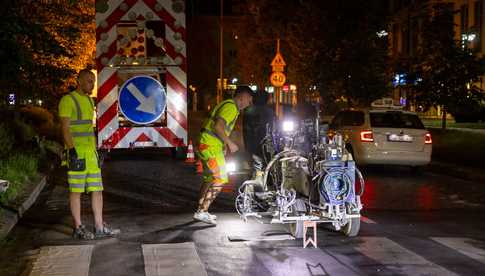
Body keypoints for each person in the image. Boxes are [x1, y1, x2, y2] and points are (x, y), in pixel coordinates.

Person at [59, 69, 120, 239]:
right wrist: (71, 151)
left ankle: (99, 227)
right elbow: (65, 129)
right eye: (88, 81)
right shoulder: (67, 100)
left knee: (97, 190)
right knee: (76, 191)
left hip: (90, 154)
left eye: (93, 81)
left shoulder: (89, 101)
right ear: (78, 81)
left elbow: (89, 128)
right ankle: (78, 228)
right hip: (76, 153)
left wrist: (97, 148)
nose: (92, 84)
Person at [194, 85, 254, 225]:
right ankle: (202, 211)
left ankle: (201, 209)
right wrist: (229, 143)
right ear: (242, 96)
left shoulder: (229, 106)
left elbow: (218, 128)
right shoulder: (231, 107)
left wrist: (223, 144)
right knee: (221, 178)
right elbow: (218, 126)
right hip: (210, 146)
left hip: (207, 144)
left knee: (210, 178)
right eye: (249, 99)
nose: (249, 102)